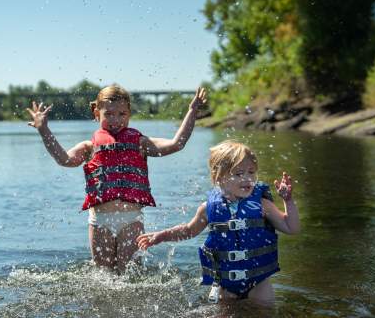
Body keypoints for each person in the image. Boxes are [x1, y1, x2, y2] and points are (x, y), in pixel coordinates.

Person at [26, 84, 207, 273]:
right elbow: (64, 160)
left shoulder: (140, 143)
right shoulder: (89, 146)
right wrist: (43, 130)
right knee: (105, 278)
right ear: (97, 113)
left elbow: (176, 144)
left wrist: (192, 110)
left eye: (122, 114)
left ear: (129, 114)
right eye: (109, 114)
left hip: (131, 220)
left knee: (131, 277)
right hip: (100, 221)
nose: (116, 120)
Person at [136, 140, 300, 305]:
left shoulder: (261, 204)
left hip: (259, 282)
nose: (247, 178)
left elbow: (291, 227)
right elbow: (188, 231)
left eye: (251, 172)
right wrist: (162, 236)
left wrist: (288, 200)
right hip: (225, 284)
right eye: (238, 174)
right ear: (219, 177)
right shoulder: (208, 208)